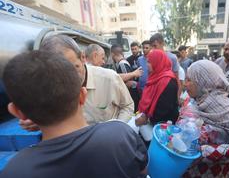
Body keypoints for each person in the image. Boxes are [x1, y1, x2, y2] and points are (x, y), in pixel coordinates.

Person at [0, 50, 147, 178]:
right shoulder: (121, 135)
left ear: (18, 112)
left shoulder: (16, 171)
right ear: (83, 95)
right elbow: (142, 170)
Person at [136, 49, 179, 126]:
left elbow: (164, 109)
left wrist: (147, 118)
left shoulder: (168, 81)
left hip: (163, 124)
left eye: (149, 62)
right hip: (151, 120)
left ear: (157, 62)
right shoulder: (154, 76)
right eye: (147, 61)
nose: (147, 64)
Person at [111, 44, 140, 112]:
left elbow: (129, 82)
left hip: (131, 96)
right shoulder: (123, 62)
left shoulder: (122, 64)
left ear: (112, 54)